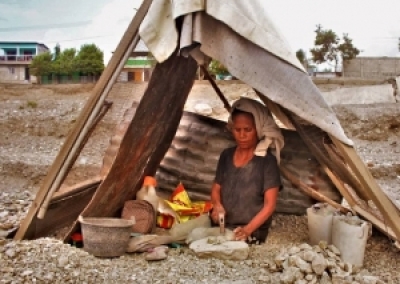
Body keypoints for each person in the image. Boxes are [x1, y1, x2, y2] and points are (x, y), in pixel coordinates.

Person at [210, 97, 284, 243]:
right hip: (224, 226)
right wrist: (217, 205)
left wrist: (247, 230)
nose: (242, 135)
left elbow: (270, 205)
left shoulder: (267, 162)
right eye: (237, 130)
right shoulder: (226, 155)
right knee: (187, 235)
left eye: (248, 130)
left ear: (258, 129)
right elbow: (216, 188)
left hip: (252, 230)